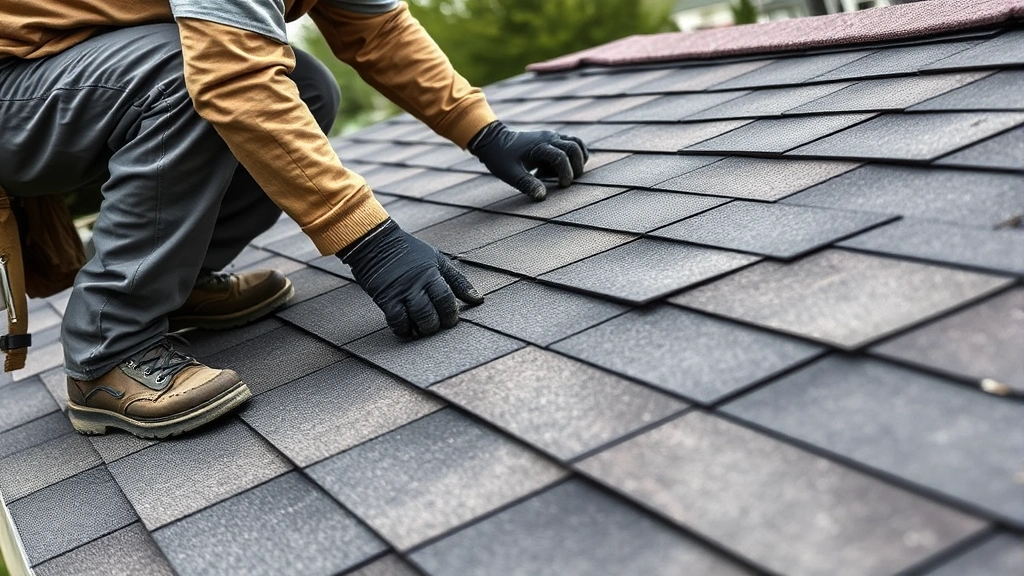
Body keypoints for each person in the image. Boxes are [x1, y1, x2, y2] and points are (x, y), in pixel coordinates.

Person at [0, 0, 587, 439]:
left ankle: (175, 284)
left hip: (67, 74)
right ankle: (107, 347)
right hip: (15, 87)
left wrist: (484, 131)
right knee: (188, 74)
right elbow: (234, 80)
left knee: (307, 87)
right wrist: (372, 242)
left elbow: (376, 28)